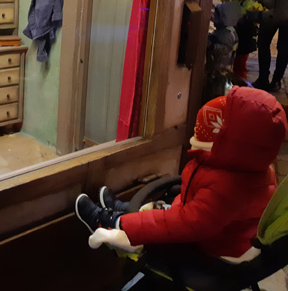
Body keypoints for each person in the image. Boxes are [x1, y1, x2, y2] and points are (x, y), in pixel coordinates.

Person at [75, 86, 286, 261]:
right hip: (221, 233)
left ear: (230, 142)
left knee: (157, 223)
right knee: (166, 208)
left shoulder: (228, 188)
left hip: (208, 249)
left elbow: (187, 223)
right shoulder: (252, 167)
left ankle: (111, 221)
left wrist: (124, 227)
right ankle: (127, 211)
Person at [251, 0, 288, 92]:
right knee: (282, 48)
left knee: (264, 43)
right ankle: (276, 80)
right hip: (279, 12)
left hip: (271, 9)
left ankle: (263, 78)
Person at [229, 0, 259, 79]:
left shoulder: (251, 8)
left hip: (245, 39)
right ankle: (238, 76)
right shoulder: (232, 7)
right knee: (237, 59)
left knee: (241, 60)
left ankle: (240, 77)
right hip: (235, 37)